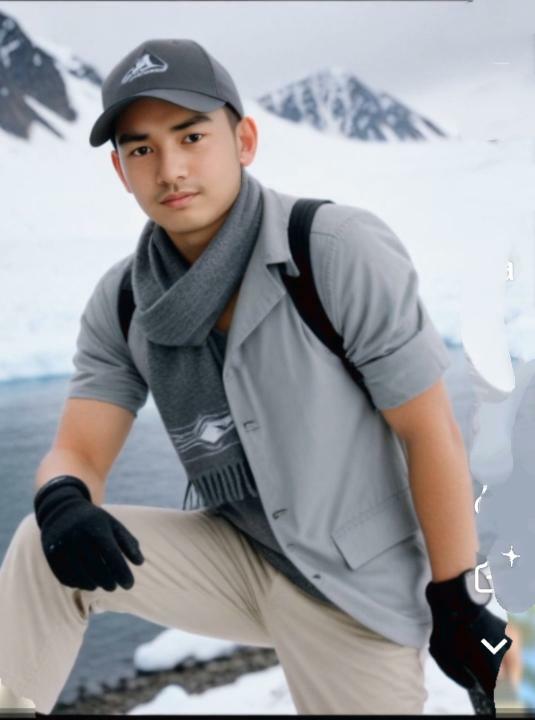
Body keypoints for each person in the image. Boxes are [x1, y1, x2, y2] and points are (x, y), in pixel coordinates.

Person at [0, 38, 511, 715]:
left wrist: (455, 598)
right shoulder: (125, 301)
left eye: (191, 136)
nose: (171, 169)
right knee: (42, 544)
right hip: (238, 556)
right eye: (142, 149)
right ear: (121, 170)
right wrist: (65, 499)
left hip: (357, 587)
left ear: (243, 140)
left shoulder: (333, 250)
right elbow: (79, 451)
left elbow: (428, 432)